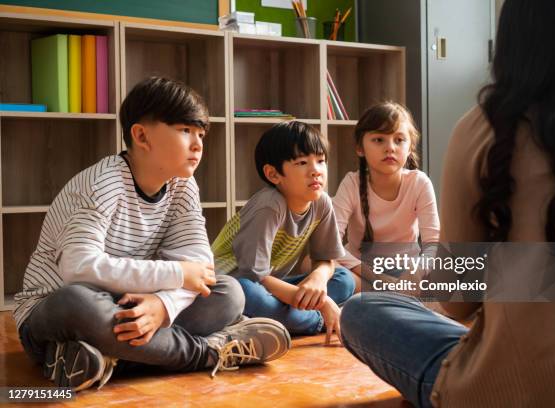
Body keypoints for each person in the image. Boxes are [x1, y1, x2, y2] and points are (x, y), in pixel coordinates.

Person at [340, 1, 555, 406]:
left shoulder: (482, 129)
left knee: (361, 312)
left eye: (397, 139)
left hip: (508, 387)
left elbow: (457, 298)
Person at [14, 77, 290, 392]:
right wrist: (175, 274)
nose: (198, 144)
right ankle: (209, 352)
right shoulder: (100, 185)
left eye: (201, 133)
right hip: (58, 312)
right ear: (142, 136)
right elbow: (79, 269)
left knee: (229, 294)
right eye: (185, 131)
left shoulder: (183, 184)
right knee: (78, 303)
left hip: (135, 306)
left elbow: (199, 268)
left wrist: (164, 305)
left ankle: (99, 359)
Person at [212, 121, 354, 343]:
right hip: (231, 285)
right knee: (249, 294)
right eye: (302, 162)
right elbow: (253, 276)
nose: (316, 170)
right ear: (273, 174)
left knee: (343, 279)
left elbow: (325, 260)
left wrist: (317, 279)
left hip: (271, 284)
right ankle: (320, 320)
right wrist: (324, 302)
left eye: (321, 161)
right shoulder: (269, 206)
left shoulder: (322, 203)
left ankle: (292, 318)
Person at [332, 102, 439, 292]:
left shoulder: (419, 182)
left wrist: (415, 272)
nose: (390, 148)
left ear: (410, 148)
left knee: (449, 271)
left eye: (399, 140)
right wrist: (378, 278)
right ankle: (389, 294)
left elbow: (433, 244)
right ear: (360, 148)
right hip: (361, 270)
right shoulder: (351, 183)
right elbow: (331, 243)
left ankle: (387, 295)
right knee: (312, 263)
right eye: (379, 140)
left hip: (406, 272)